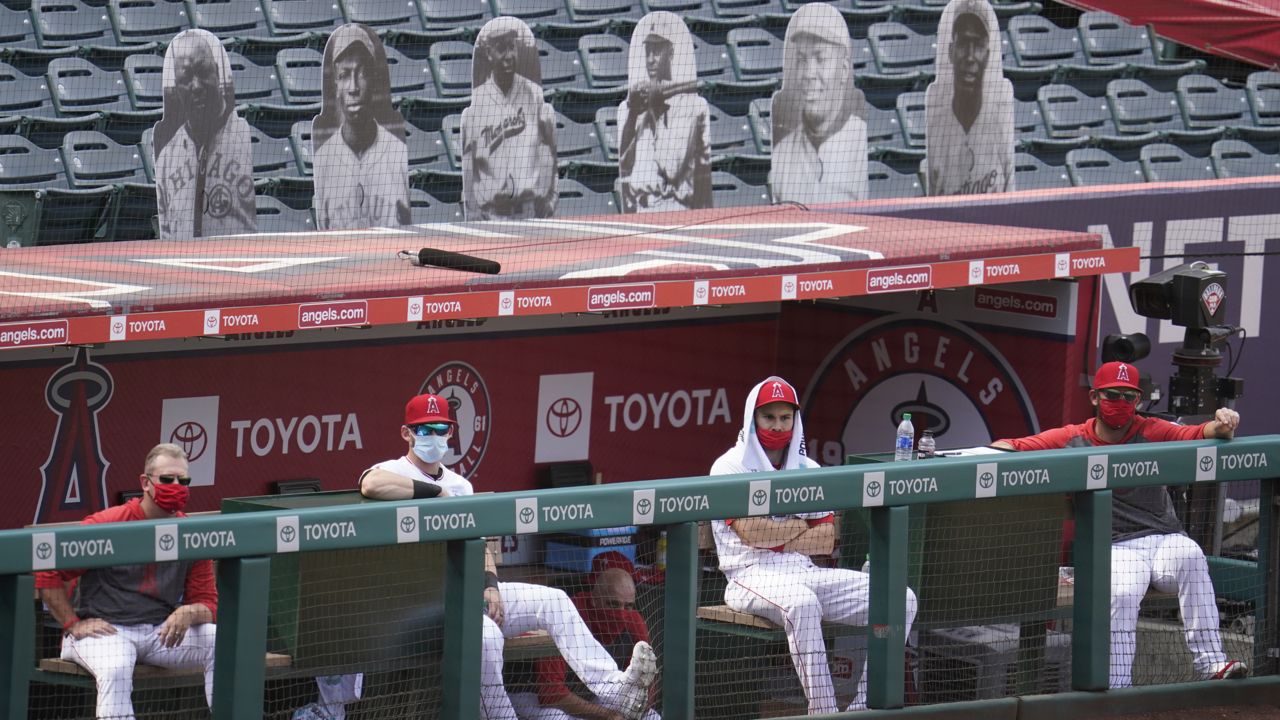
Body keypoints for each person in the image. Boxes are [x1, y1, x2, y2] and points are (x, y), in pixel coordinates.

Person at [359, 393, 659, 720]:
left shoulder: (460, 484)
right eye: (425, 429)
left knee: (555, 601)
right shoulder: (393, 470)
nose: (434, 436)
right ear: (407, 433)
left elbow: (480, 544)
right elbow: (370, 484)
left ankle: (615, 689)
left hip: (467, 592)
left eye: (441, 428)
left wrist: (491, 585)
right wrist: (435, 493)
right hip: (420, 603)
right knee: (487, 638)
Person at [991, 361, 1248, 688]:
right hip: (1116, 545)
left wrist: (1224, 422)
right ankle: (1116, 689)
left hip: (1165, 539)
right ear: (1095, 397)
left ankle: (1211, 664)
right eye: (1113, 395)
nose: (1121, 403)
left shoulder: (1150, 430)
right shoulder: (1074, 438)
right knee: (1123, 592)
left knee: (1192, 556)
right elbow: (1010, 446)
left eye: (1129, 397)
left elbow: (1200, 433)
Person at [710, 377, 917, 714]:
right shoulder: (729, 466)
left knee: (901, 598)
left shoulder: (809, 467)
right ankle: (824, 711)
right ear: (752, 419)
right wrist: (799, 526)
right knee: (803, 604)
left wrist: (780, 533)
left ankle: (864, 708)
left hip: (805, 571)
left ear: (795, 421)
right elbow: (752, 535)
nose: (778, 426)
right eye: (769, 418)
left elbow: (825, 538)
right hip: (748, 576)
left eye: (785, 418)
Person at [35, 444, 217, 720]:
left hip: (160, 633)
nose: (177, 486)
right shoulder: (110, 524)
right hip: (105, 632)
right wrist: (73, 623)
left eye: (184, 480)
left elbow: (208, 603)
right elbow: (47, 571)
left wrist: (190, 612)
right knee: (116, 666)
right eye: (167, 480)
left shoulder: (189, 531)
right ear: (145, 483)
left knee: (222, 641)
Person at [506, 556, 661, 720]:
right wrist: (606, 715)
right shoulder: (565, 616)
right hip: (529, 695)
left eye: (628, 605)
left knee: (651, 717)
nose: (621, 613)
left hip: (585, 697)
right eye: (613, 604)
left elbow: (646, 680)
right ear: (594, 600)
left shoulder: (633, 620)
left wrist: (640, 709)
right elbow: (549, 694)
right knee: (556, 717)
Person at [154, 28, 255, 239]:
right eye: (186, 78)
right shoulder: (166, 159)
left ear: (217, 72)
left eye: (203, 71)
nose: (197, 86)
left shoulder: (247, 136)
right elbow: (166, 235)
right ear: (177, 88)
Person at [312, 23, 410, 230]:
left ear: (374, 80)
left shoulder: (398, 153)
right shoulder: (323, 159)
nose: (354, 87)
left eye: (362, 73)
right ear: (335, 86)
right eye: (344, 75)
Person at [770, 3, 868, 204]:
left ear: (843, 69)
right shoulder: (781, 154)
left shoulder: (865, 143)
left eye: (820, 58)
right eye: (802, 60)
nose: (808, 74)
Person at [462, 17, 557, 221]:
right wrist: (471, 211)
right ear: (488, 54)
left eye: (512, 48)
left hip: (531, 213)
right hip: (492, 216)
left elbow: (550, 153)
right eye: (501, 48)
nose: (508, 56)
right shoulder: (476, 106)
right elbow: (469, 167)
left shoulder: (534, 96)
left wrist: (551, 198)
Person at [617, 12, 711, 213]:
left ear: (670, 53)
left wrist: (657, 112)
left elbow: (672, 169)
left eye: (657, 50)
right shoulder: (635, 105)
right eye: (648, 51)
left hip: (672, 208)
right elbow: (624, 165)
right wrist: (633, 114)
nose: (650, 59)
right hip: (639, 209)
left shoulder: (689, 106)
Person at [923, 0, 1014, 196]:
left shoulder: (1000, 127)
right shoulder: (936, 128)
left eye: (979, 45)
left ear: (988, 56)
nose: (971, 56)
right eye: (964, 43)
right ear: (951, 52)